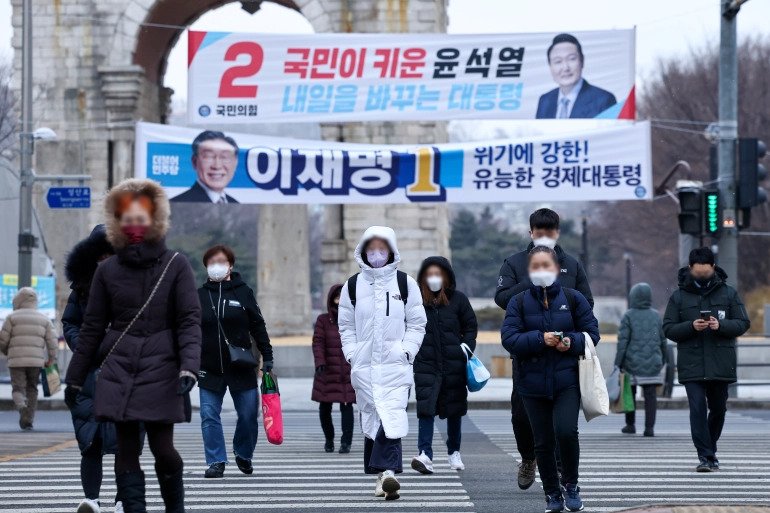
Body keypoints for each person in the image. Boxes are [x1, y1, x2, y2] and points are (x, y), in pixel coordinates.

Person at [65, 178, 202, 513]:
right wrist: (75, 378)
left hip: (163, 368)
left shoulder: (176, 265)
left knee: (163, 449)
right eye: (127, 218)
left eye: (141, 218)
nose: (134, 225)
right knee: (126, 450)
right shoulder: (107, 271)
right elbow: (91, 327)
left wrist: (189, 366)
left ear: (155, 220)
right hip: (119, 368)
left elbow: (188, 321)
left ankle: (175, 508)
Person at [494, 208, 593, 491]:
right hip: (528, 356)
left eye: (550, 232)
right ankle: (528, 458)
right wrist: (534, 278)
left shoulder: (571, 265)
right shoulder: (515, 263)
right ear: (530, 233)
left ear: (557, 233)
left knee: (563, 423)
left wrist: (571, 338)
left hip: (564, 358)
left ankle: (562, 472)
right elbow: (501, 298)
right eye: (539, 232)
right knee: (521, 415)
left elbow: (586, 303)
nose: (545, 236)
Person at [338, 226, 426, 501]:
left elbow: (417, 323)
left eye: (382, 248)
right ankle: (382, 477)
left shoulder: (405, 283)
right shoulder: (352, 286)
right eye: (371, 248)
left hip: (396, 364)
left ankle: (388, 472)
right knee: (372, 417)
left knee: (391, 414)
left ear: (391, 250)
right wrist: (352, 354)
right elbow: (345, 326)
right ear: (363, 250)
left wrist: (407, 352)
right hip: (364, 364)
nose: (376, 254)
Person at [663, 247, 749, 472]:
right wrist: (691, 326)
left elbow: (743, 323)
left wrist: (721, 326)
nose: (702, 276)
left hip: (720, 362)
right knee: (698, 408)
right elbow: (668, 328)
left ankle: (710, 448)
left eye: (706, 272)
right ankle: (705, 456)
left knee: (719, 409)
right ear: (690, 268)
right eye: (698, 272)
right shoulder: (679, 296)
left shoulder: (728, 293)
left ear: (713, 267)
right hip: (691, 364)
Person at [197, 244, 273, 478]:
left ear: (230, 265)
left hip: (241, 366)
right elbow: (188, 329)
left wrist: (268, 358)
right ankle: (216, 461)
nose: (216, 266)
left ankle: (243, 452)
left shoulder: (243, 292)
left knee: (249, 415)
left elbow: (258, 326)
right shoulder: (199, 295)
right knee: (209, 415)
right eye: (211, 262)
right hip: (209, 367)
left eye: (221, 261)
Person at [61, 225, 123, 513]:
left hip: (125, 371)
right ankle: (92, 500)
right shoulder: (81, 287)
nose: (105, 260)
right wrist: (82, 345)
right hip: (88, 375)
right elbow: (70, 322)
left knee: (125, 442)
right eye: (100, 255)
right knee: (90, 441)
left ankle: (123, 499)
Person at [410, 256, 477, 475]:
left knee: (454, 409)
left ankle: (454, 451)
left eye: (438, 274)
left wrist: (465, 348)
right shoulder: (416, 301)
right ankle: (425, 454)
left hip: (453, 363)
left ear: (446, 276)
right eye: (430, 274)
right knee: (425, 409)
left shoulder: (458, 300)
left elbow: (470, 327)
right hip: (426, 363)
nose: (434, 278)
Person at [0, 287, 58, 431]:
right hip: (36, 362)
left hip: (16, 361)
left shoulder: (11, 318)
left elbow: (3, 340)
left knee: (17, 389)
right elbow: (52, 342)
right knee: (32, 389)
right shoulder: (44, 319)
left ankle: (22, 406)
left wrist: (7, 352)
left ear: (18, 301)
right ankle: (28, 420)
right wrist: (51, 359)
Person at [614, 282, 668, 438]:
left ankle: (630, 425)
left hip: (631, 362)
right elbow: (662, 340)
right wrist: (663, 359)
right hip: (653, 362)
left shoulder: (628, 316)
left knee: (629, 392)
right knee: (650, 396)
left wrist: (618, 363)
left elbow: (623, 342)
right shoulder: (656, 315)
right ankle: (649, 428)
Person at [312, 284, 356, 454]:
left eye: (342, 297)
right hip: (326, 371)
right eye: (336, 297)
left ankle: (346, 442)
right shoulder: (323, 320)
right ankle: (329, 439)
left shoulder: (353, 319)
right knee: (324, 408)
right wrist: (320, 362)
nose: (338, 300)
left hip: (347, 371)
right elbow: (318, 342)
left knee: (347, 406)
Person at [536, 33, 617, 119]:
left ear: (582, 61)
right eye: (558, 61)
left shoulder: (604, 100)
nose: (565, 68)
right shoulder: (545, 101)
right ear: (550, 66)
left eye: (572, 59)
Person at [171, 130, 239, 203]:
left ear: (235, 163)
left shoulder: (236, 204)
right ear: (194, 162)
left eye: (224, 157)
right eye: (209, 157)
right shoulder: (175, 204)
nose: (217, 166)